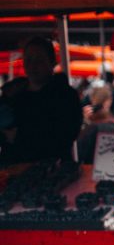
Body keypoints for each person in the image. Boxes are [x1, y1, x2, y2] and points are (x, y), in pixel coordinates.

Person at [0, 37, 84, 165]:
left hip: (52, 171)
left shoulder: (65, 96)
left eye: (39, 60)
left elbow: (65, 135)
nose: (32, 65)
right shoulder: (12, 94)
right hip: (13, 171)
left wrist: (20, 136)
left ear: (51, 62)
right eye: (28, 59)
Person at [75, 85, 114, 164]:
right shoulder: (111, 122)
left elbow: (78, 152)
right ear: (107, 102)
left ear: (93, 100)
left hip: (90, 170)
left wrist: (83, 122)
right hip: (109, 169)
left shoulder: (90, 124)